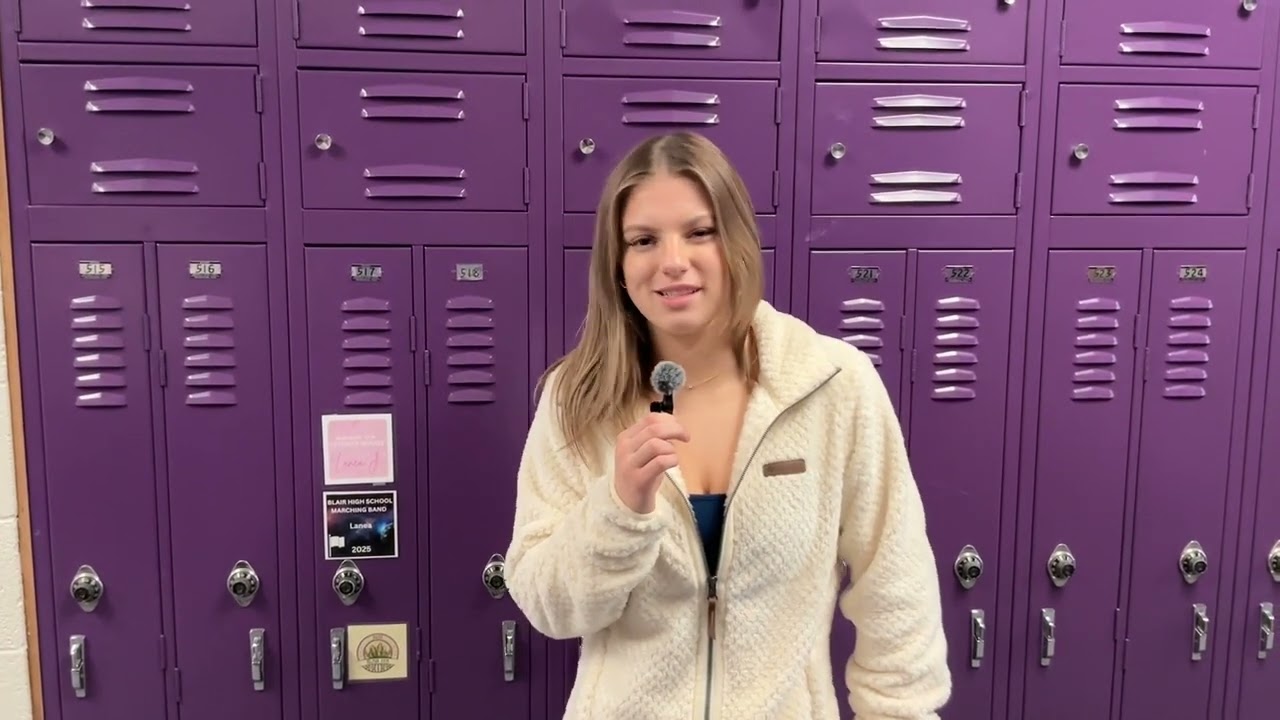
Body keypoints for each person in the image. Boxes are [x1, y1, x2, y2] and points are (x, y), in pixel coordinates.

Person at [503, 131, 951, 719]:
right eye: (643, 240)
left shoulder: (832, 384)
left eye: (698, 232)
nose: (672, 261)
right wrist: (616, 511)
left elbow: (896, 591)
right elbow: (548, 606)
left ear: (735, 240)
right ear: (617, 264)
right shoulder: (577, 398)